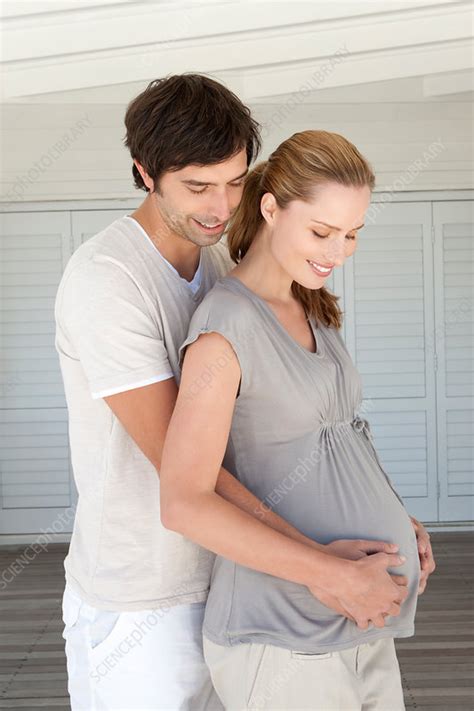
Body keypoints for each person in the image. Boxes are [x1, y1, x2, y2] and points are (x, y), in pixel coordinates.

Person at [55, 72, 434, 710]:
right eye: (197, 187)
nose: (219, 206)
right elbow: (181, 474)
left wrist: (383, 519)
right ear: (145, 172)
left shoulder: (217, 265)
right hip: (147, 599)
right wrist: (322, 562)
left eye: (234, 182)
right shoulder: (108, 281)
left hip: (244, 578)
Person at [160, 130, 435, 710]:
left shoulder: (310, 306)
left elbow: (333, 442)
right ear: (270, 207)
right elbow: (184, 500)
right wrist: (332, 575)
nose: (337, 252)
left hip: (359, 617)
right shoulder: (224, 329)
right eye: (321, 231)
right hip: (283, 633)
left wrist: (400, 523)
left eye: (352, 234)